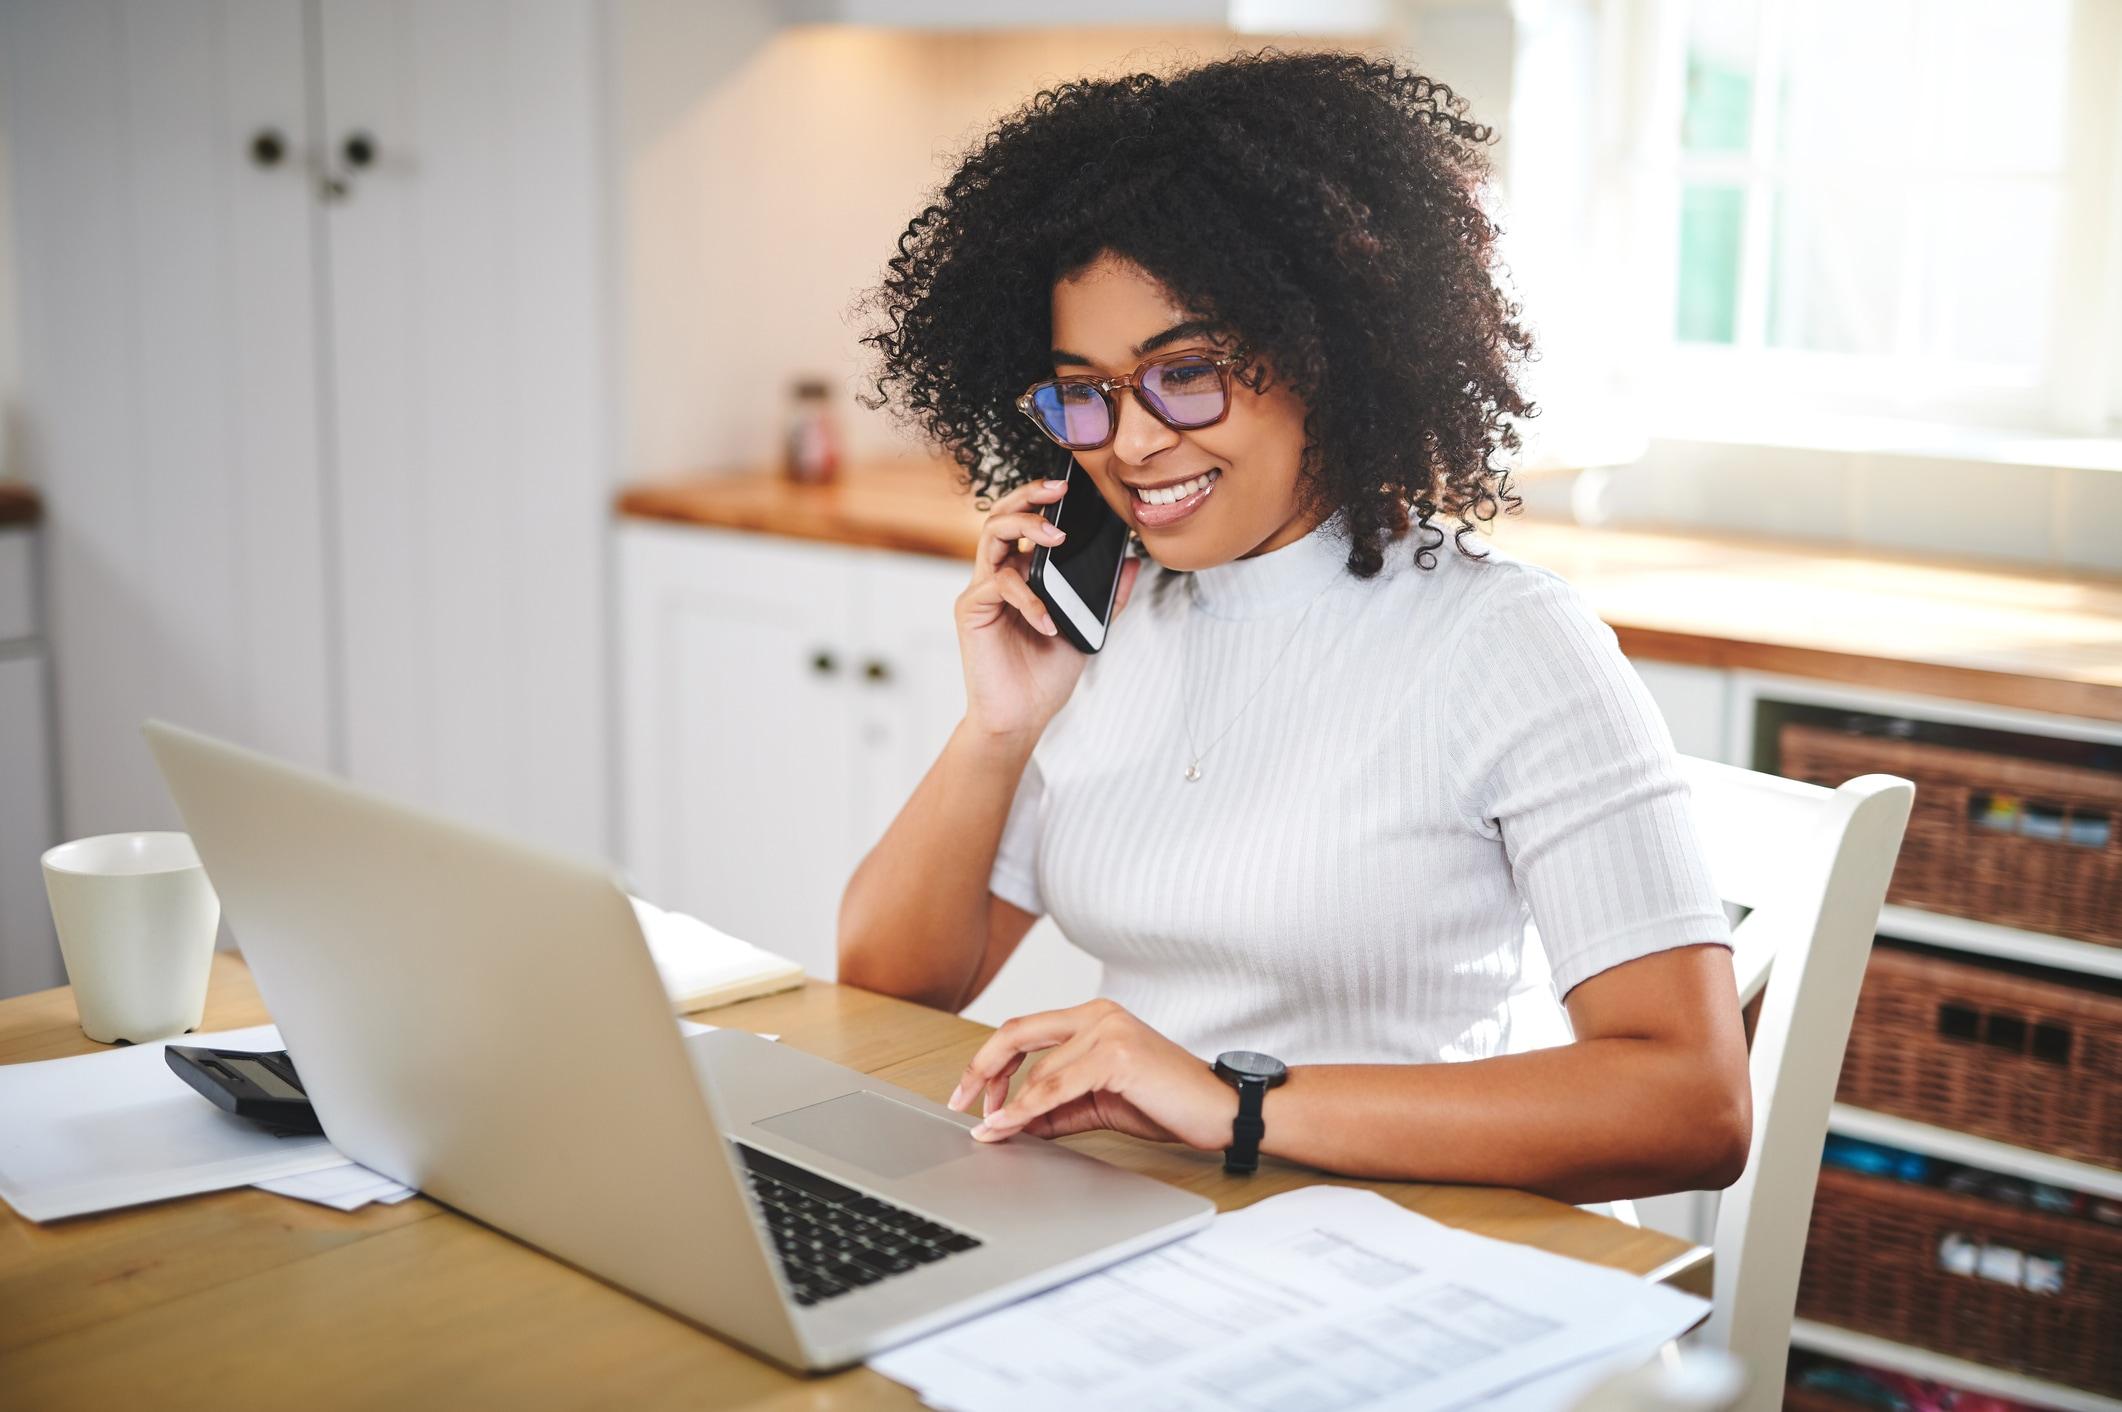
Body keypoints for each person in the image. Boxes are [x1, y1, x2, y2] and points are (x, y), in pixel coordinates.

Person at [839, 50, 1750, 1203]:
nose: (1129, 442)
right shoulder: (1105, 622)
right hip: (1150, 1219)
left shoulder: (1506, 641)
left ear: (1329, 353)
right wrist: (996, 727)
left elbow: (1693, 1103)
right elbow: (885, 981)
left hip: (1419, 1247)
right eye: (1087, 389)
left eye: (1186, 372)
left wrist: (1234, 1104)